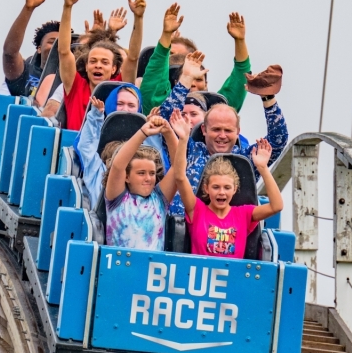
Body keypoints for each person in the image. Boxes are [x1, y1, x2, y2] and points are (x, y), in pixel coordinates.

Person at [162, 51, 288, 215]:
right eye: (216, 129)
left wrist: (268, 98)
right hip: (184, 232)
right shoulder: (188, 151)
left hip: (229, 236)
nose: (222, 136)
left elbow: (278, 141)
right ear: (204, 130)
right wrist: (185, 80)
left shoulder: (244, 161)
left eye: (228, 130)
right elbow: (163, 122)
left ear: (238, 132)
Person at [175, 135, 283, 258]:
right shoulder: (197, 210)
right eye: (216, 187)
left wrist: (263, 168)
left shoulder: (244, 214)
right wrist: (183, 139)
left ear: (234, 189)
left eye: (227, 188)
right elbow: (180, 177)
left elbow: (276, 206)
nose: (221, 192)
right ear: (206, 188)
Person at [57, 0, 145, 130]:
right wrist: (67, 8)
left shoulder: (120, 86)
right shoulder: (75, 86)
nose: (98, 65)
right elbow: (64, 52)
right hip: (74, 149)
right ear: (86, 66)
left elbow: (133, 58)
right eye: (93, 61)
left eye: (105, 62)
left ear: (114, 68)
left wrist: (139, 18)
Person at [140, 5, 252, 114]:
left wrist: (240, 41)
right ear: (175, 82)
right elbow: (155, 76)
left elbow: (239, 79)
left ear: (206, 84)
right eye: (187, 77)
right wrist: (166, 34)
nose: (193, 84)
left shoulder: (216, 113)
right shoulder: (159, 109)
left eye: (198, 79)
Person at [103, 115, 188, 250]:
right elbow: (118, 166)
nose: (148, 178)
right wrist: (143, 133)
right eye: (141, 173)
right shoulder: (116, 198)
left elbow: (178, 169)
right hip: (120, 267)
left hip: (150, 267)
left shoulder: (159, 200)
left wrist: (168, 132)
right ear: (127, 177)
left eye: (152, 173)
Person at [76, 85, 142, 205]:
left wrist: (152, 131)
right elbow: (86, 146)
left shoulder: (143, 170)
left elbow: (158, 164)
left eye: (131, 105)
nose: (125, 109)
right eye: (120, 103)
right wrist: (96, 116)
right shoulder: (97, 168)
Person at [2, 0, 62, 97]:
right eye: (52, 42)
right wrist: (28, 9)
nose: (57, 46)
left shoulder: (73, 79)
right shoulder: (27, 73)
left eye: (62, 43)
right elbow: (10, 53)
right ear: (39, 48)